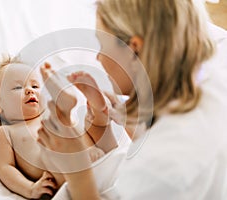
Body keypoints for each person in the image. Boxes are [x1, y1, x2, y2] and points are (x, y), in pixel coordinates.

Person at [37, 0, 227, 199]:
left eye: (102, 45)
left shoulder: (165, 169)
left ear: (134, 49)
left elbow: (160, 165)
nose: (98, 58)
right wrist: (123, 117)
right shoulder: (211, 83)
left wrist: (77, 170)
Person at [0, 56, 105, 199]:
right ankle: (66, 109)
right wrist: (30, 189)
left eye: (35, 86)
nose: (30, 90)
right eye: (18, 87)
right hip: (58, 178)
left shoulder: (48, 116)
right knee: (49, 144)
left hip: (93, 164)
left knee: (67, 127)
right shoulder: (5, 132)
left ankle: (73, 112)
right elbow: (5, 168)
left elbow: (77, 133)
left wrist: (90, 148)